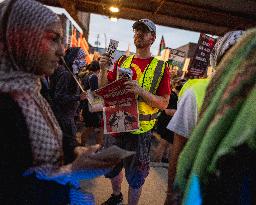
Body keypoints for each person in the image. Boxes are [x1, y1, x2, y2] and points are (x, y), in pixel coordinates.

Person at [0, 1, 114, 204]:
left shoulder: (33, 88)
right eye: (53, 39)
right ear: (20, 38)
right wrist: (66, 181)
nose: (62, 51)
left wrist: (74, 151)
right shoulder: (7, 101)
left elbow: (53, 137)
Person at [164, 30, 245, 205]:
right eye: (231, 56)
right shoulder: (196, 92)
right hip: (199, 191)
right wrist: (171, 193)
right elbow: (178, 152)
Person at [99, 19, 171, 205]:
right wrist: (102, 69)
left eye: (144, 31)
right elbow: (103, 89)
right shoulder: (122, 60)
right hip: (117, 124)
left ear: (152, 38)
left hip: (140, 133)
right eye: (136, 30)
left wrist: (140, 91)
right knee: (113, 168)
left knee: (136, 176)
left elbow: (164, 103)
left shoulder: (161, 67)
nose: (138, 33)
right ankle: (116, 196)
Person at [50, 47, 87, 164]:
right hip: (63, 119)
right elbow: (58, 97)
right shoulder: (66, 74)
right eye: (81, 58)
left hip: (67, 117)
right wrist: (78, 97)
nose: (83, 61)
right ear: (73, 59)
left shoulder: (70, 72)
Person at [153, 78, 185, 162]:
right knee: (163, 144)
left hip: (168, 122)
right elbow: (167, 111)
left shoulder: (174, 95)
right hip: (166, 122)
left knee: (166, 144)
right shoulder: (172, 96)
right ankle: (157, 162)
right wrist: (181, 112)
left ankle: (162, 160)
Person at [80, 60, 104, 146]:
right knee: (96, 128)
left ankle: (82, 144)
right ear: (99, 68)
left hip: (88, 106)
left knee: (90, 127)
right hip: (93, 107)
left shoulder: (86, 75)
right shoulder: (94, 77)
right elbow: (94, 93)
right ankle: (98, 147)